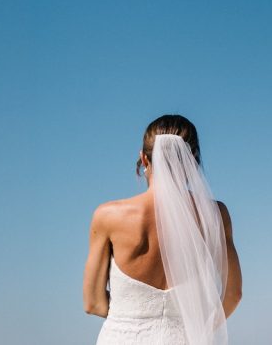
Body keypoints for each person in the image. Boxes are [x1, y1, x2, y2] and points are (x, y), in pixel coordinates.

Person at [83, 115, 242, 345]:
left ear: (143, 159)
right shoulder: (216, 214)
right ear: (193, 159)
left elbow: (93, 303)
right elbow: (233, 294)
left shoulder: (109, 216)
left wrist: (132, 320)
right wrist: (197, 329)